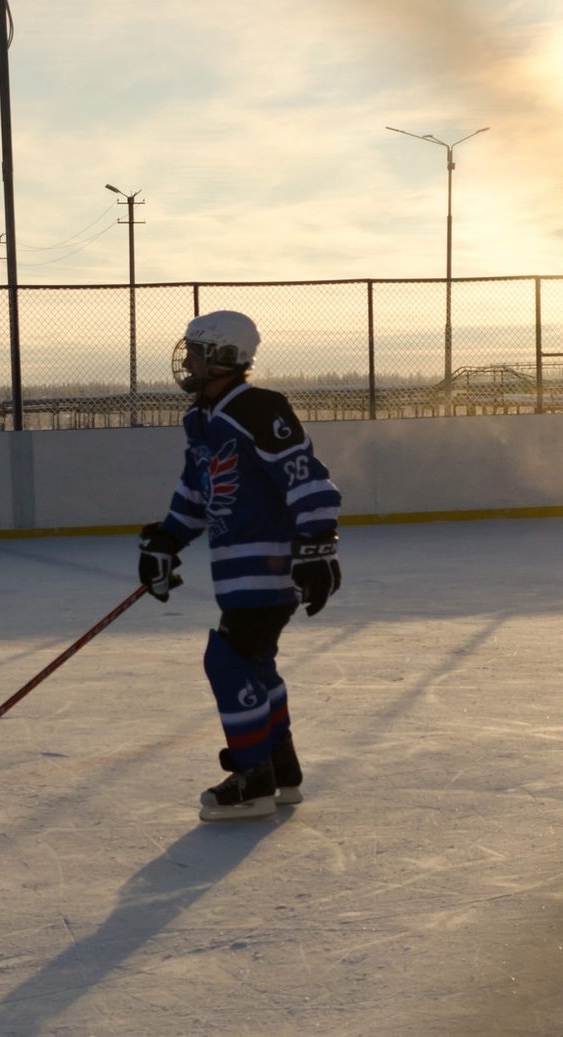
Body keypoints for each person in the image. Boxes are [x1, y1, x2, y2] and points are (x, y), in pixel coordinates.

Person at [137, 310, 343, 821]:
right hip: (236, 571)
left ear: (224, 357)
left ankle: (253, 779)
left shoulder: (257, 409)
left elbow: (305, 477)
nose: (186, 360)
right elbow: (195, 491)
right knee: (254, 662)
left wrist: (317, 546)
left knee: (228, 662)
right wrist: (166, 539)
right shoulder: (203, 419)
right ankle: (280, 769)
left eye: (196, 352)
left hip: (268, 566)